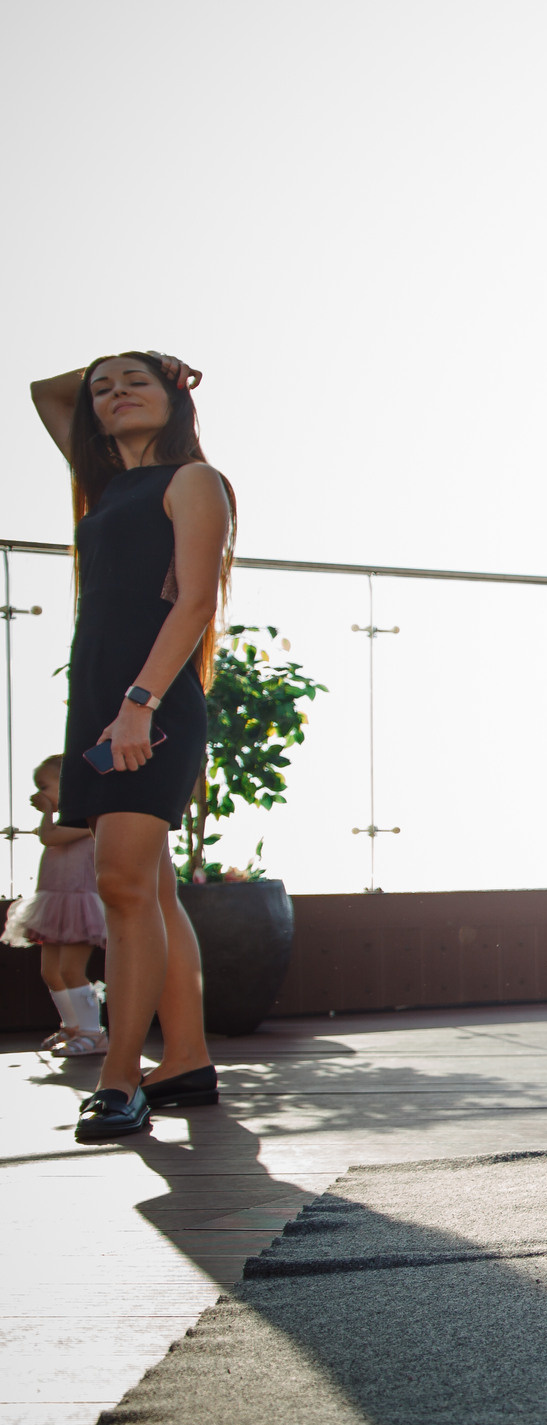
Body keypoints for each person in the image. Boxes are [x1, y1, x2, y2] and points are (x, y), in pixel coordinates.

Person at [27, 352, 230, 1141]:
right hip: (100, 706)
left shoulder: (193, 480)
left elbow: (196, 602)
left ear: (175, 398)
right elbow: (46, 393)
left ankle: (119, 1080)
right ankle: (186, 1060)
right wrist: (115, 364)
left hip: (151, 704)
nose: (115, 394)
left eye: (136, 383)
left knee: (120, 885)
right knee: (150, 890)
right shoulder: (106, 483)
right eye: (104, 388)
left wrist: (139, 704)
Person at [4, 754, 110, 1057]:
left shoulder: (87, 821)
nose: (38, 793)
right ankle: (73, 1026)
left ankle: (93, 1032)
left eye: (44, 786)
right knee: (51, 972)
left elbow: (49, 837)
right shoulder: (62, 822)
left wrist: (48, 811)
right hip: (55, 904)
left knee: (71, 970)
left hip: (79, 906)